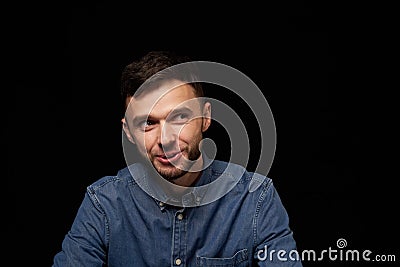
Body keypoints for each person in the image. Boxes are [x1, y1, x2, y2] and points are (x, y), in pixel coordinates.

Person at [52, 51, 302, 266]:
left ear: (205, 117)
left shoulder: (255, 198)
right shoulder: (104, 204)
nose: (166, 139)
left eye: (179, 117)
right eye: (148, 123)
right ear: (128, 132)